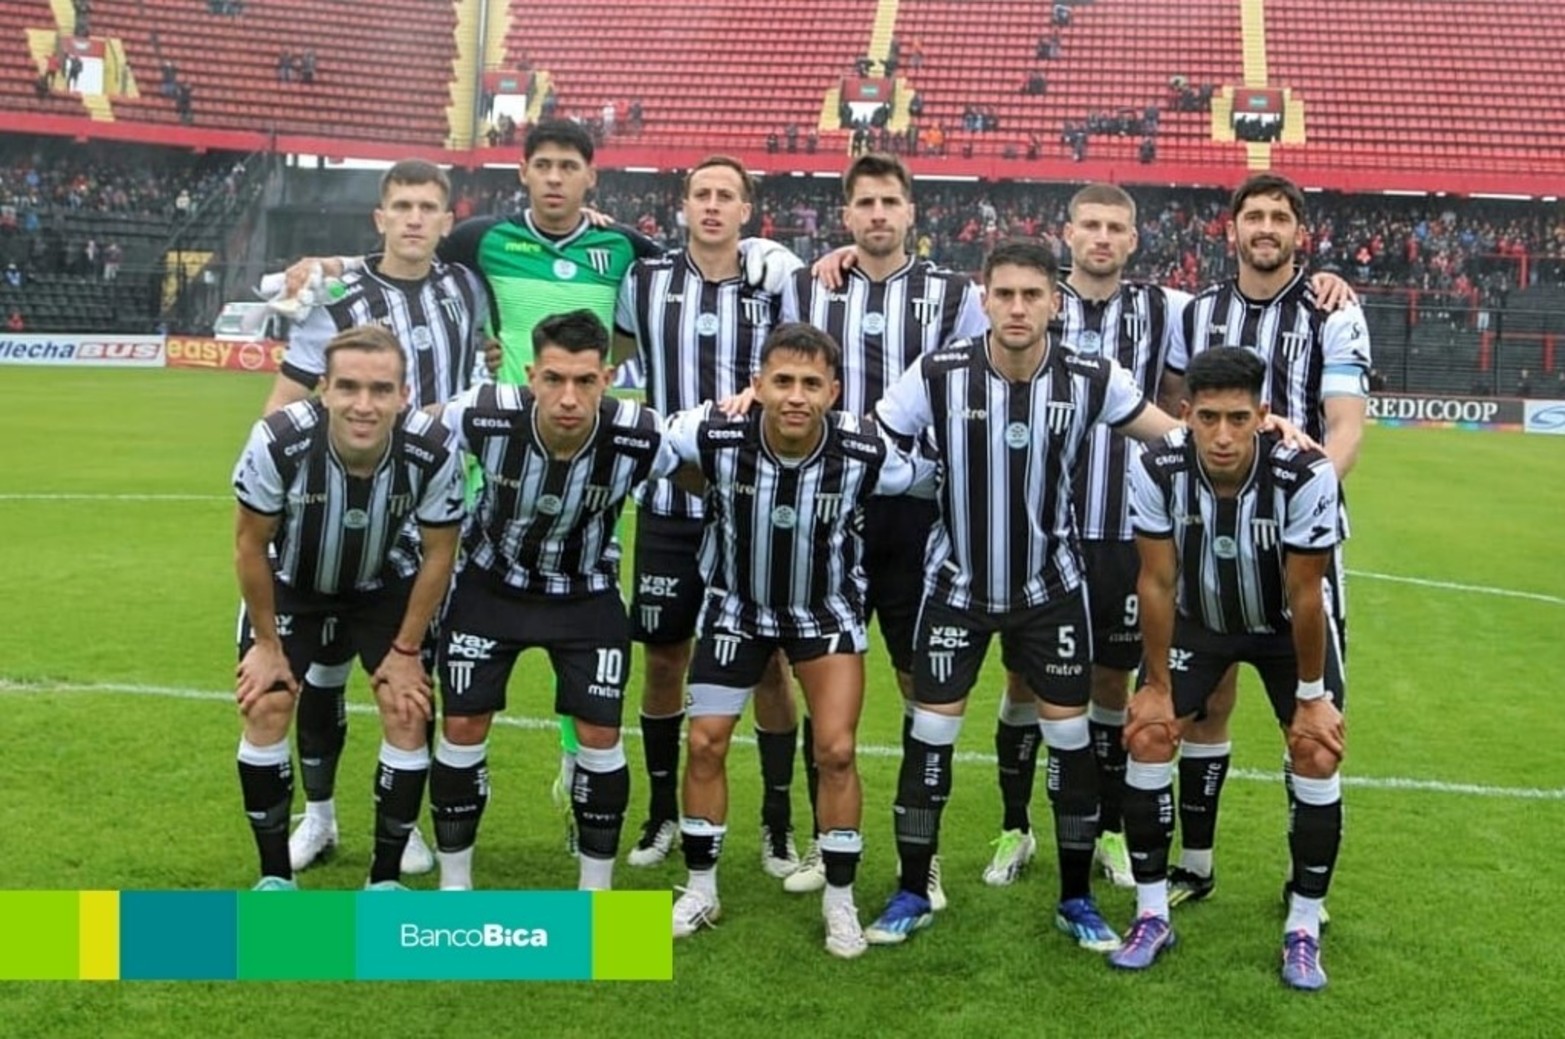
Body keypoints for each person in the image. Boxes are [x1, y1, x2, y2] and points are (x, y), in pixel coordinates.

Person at [864, 240, 1183, 950]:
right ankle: (912, 888)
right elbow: (874, 439)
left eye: (1030, 295)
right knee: (930, 737)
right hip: (955, 586)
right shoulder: (939, 373)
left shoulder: (1088, 376)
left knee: (1069, 740)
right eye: (1003, 293)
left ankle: (1075, 899)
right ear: (983, 298)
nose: (1015, 307)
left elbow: (1172, 439)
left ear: (1053, 302)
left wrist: (1248, 440)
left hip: (1050, 589)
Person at [662, 323, 935, 958]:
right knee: (704, 743)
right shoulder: (714, 433)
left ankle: (839, 901)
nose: (795, 395)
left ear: (834, 392)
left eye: (811, 384)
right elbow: (651, 443)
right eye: (781, 380)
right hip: (735, 608)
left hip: (827, 615)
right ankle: (701, 888)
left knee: (836, 751)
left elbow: (932, 480)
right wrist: (705, 486)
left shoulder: (865, 453)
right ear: (755, 385)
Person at [264, 160, 490, 880]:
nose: (416, 218)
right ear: (380, 218)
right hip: (335, 521)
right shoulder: (337, 293)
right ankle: (320, 817)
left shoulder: (466, 287)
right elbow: (284, 405)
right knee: (323, 678)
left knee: (410, 676)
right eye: (402, 206)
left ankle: (406, 822)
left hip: (422, 520)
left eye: (429, 207)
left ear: (447, 222)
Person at [778, 152, 986, 901]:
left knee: (916, 684)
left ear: (911, 213)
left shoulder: (952, 293)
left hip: (911, 512)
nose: (875, 214)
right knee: (821, 681)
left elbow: (974, 374)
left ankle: (918, 852)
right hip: (828, 507)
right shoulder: (808, 285)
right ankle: (821, 840)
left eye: (888, 202)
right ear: (845, 214)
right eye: (862, 202)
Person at [1163, 172, 1368, 916]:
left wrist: (1305, 493)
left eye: (1279, 216)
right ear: (1230, 229)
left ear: (1298, 232)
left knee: (1308, 727)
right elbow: (1172, 410)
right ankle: (1193, 863)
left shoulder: (1331, 311)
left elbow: (1344, 421)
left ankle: (1303, 896)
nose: (1265, 226)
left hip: (1297, 548)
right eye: (1253, 214)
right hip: (1205, 540)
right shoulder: (1196, 312)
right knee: (1204, 706)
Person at [1114, 346, 1344, 992]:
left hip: (1281, 628)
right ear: (1184, 414)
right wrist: (1156, 687)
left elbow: (1305, 595)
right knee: (1147, 735)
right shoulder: (1155, 465)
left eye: (1237, 419)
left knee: (1315, 751)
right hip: (1199, 621)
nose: (1220, 435)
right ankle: (1151, 912)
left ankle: (1302, 924)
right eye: (1207, 417)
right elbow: (1156, 580)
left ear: (1261, 415)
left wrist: (1309, 695)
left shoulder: (1304, 472)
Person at [426, 310, 677, 892]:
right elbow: (419, 428)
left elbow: (698, 461)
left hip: (585, 592)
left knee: (599, 735)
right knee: (462, 723)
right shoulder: (485, 412)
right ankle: (454, 886)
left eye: (585, 381)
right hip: (491, 585)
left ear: (607, 378)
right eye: (554, 380)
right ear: (532, 375)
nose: (569, 397)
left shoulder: (640, 432)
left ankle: (595, 892)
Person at [613, 156, 801, 876]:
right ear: (682, 206)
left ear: (748, 210)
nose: (714, 206)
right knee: (663, 658)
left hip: (752, 501)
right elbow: (615, 348)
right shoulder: (644, 281)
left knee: (768, 664)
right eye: (702, 194)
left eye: (727, 195)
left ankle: (777, 823)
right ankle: (662, 811)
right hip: (667, 500)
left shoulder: (776, 284)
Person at [231, 326, 465, 892]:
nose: (365, 405)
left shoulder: (431, 447)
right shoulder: (277, 441)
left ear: (403, 394)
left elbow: (440, 552)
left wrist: (407, 650)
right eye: (350, 388)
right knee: (266, 704)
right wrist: (267, 646)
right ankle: (275, 880)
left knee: (407, 707)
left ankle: (383, 882)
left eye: (381, 390)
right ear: (325, 391)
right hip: (292, 582)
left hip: (384, 584)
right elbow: (249, 545)